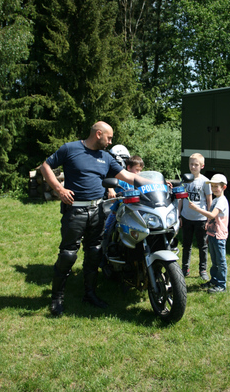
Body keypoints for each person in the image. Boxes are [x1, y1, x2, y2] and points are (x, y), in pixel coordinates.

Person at [40, 121, 141, 317]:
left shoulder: (105, 156)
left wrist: (158, 182)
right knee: (68, 255)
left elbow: (128, 176)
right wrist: (59, 189)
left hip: (97, 211)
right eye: (109, 138)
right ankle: (56, 299)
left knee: (94, 253)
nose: (110, 142)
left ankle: (90, 294)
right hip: (74, 212)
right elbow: (45, 166)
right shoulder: (70, 149)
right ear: (98, 134)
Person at [188, 173, 229, 293]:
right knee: (215, 261)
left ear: (223, 187)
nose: (214, 189)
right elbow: (211, 219)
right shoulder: (216, 200)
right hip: (212, 234)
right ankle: (214, 280)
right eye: (212, 186)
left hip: (219, 236)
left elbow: (212, 215)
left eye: (217, 186)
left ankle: (221, 285)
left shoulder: (221, 201)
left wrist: (196, 209)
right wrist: (208, 230)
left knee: (221, 262)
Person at [102, 153, 144, 255]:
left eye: (140, 171)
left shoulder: (140, 181)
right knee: (107, 230)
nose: (138, 173)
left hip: (136, 212)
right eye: (137, 170)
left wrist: (164, 183)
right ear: (128, 168)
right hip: (118, 210)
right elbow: (112, 182)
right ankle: (103, 255)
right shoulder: (123, 180)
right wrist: (111, 190)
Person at [178, 153, 212, 280]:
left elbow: (209, 200)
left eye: (196, 164)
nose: (193, 167)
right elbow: (180, 200)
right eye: (191, 164)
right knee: (186, 245)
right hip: (186, 218)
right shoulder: (185, 180)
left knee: (202, 246)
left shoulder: (205, 181)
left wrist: (209, 219)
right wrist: (179, 215)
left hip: (201, 219)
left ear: (202, 166)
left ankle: (202, 269)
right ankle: (184, 268)